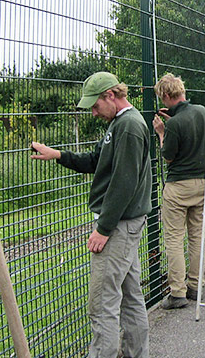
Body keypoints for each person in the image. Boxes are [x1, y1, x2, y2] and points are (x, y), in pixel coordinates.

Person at [31, 72, 150, 358]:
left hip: (119, 225)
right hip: (124, 223)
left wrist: (104, 228)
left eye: (95, 106)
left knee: (101, 304)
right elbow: (96, 162)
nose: (94, 113)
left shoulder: (129, 127)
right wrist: (57, 154)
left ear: (110, 95)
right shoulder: (119, 124)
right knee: (130, 297)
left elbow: (124, 182)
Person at [152, 73, 205, 309]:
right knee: (197, 237)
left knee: (174, 239)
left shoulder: (173, 124)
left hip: (178, 186)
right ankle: (196, 286)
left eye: (162, 99)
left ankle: (178, 292)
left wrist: (162, 132)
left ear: (166, 95)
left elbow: (168, 156)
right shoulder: (202, 112)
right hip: (202, 182)